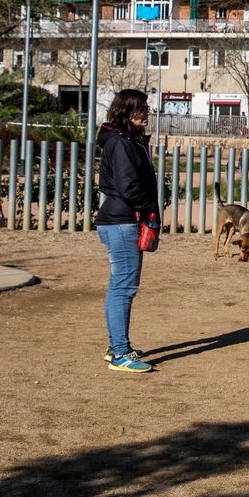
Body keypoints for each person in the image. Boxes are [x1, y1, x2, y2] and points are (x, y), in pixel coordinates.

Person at [95, 88, 159, 373]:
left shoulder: (127, 141)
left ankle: (117, 346)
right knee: (124, 287)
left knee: (120, 286)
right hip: (122, 223)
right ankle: (120, 353)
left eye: (146, 107)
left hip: (122, 220)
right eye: (141, 107)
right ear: (126, 111)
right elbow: (129, 185)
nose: (147, 112)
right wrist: (149, 212)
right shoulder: (120, 144)